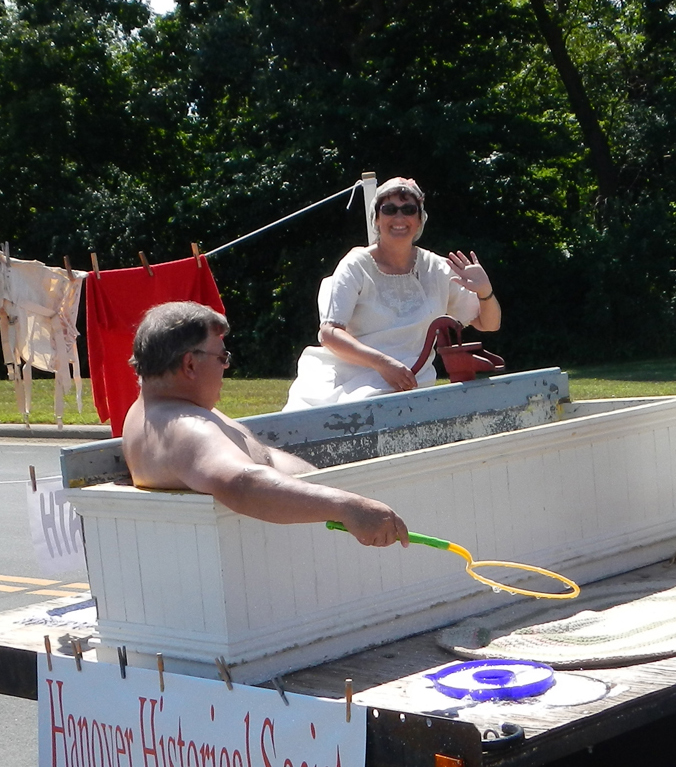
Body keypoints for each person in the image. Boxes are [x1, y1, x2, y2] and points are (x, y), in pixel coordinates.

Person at [121, 301, 409, 546]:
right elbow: (242, 483)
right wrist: (347, 508)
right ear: (190, 365)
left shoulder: (161, 412)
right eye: (222, 357)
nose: (226, 367)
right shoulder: (186, 426)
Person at [283, 177, 502, 409]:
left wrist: (485, 292)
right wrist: (382, 364)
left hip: (408, 383)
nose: (399, 218)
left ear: (420, 221)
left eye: (408, 210)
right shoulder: (356, 265)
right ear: (376, 219)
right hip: (348, 379)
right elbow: (329, 333)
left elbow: (488, 323)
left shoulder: (436, 268)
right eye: (389, 209)